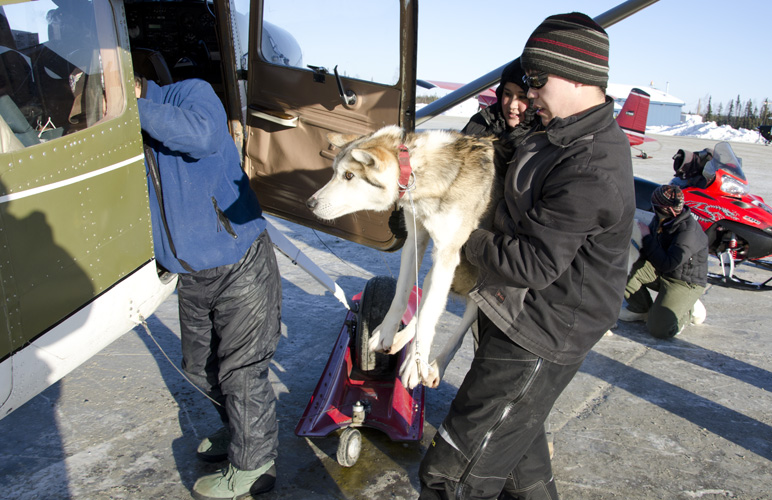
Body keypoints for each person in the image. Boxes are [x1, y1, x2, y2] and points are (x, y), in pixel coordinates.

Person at [418, 12, 635, 500]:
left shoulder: (591, 165)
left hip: (541, 331)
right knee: (519, 468)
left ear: (577, 76)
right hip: (514, 310)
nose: (529, 91)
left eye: (537, 79)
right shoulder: (557, 130)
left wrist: (457, 231)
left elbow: (531, 263)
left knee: (450, 476)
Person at [135, 76, 282, 500]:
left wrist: (132, 112)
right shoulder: (134, 132)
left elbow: (201, 136)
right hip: (194, 275)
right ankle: (238, 431)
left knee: (241, 370)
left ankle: (255, 467)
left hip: (239, 262)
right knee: (200, 369)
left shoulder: (189, 93)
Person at [619, 184, 708, 337]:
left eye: (655, 207)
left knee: (659, 330)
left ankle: (689, 308)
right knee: (623, 265)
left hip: (683, 281)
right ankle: (641, 308)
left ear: (665, 209)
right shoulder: (663, 220)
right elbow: (653, 253)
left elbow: (667, 264)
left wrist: (646, 237)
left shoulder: (688, 232)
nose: (653, 210)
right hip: (661, 270)